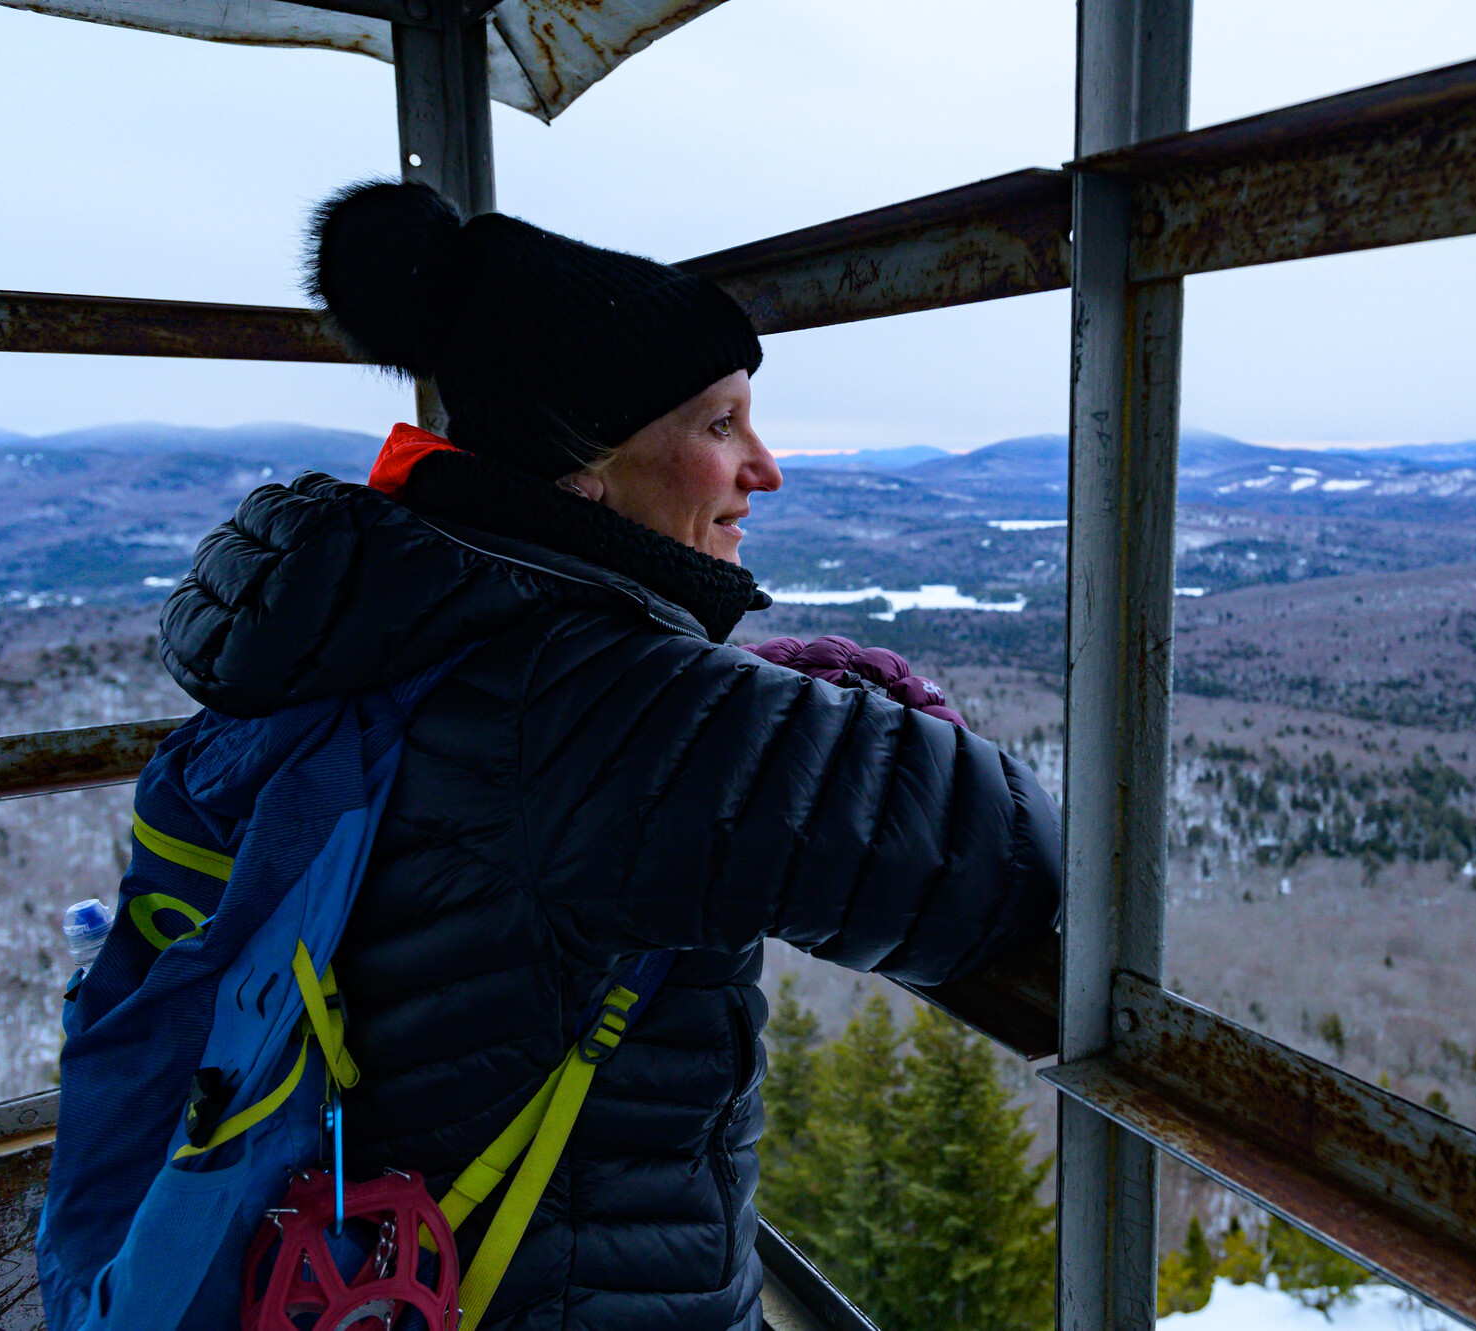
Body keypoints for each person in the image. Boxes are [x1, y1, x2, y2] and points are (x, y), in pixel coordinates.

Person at [157, 180, 1061, 1331]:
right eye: (719, 424)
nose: (765, 466)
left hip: (378, 1269)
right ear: (578, 465)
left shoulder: (391, 611)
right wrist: (873, 708)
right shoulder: (612, 709)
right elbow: (1005, 859)